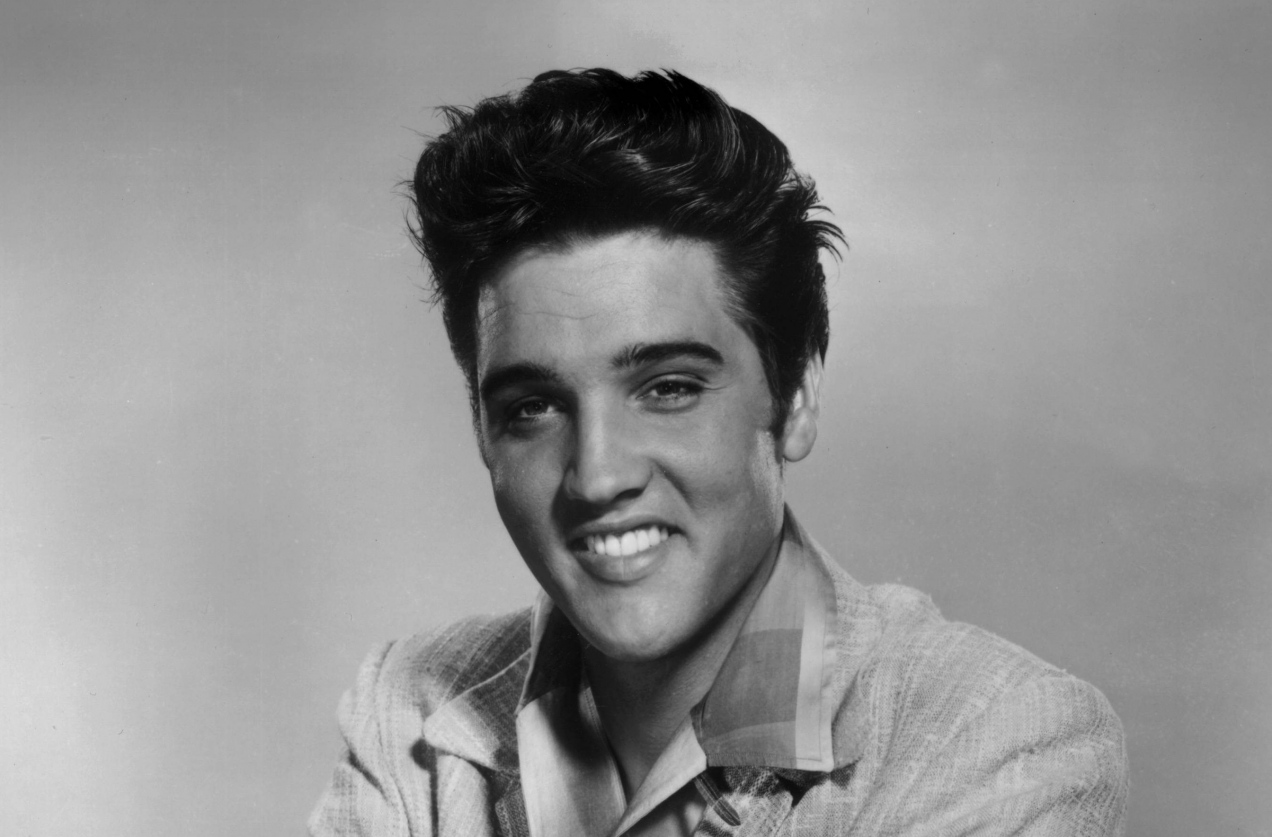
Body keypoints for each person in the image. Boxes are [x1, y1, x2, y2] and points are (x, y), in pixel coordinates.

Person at [309, 68, 1128, 837]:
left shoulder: (996, 733)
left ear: (794, 396)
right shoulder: (410, 709)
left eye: (668, 388)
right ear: (482, 432)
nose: (598, 474)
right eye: (533, 407)